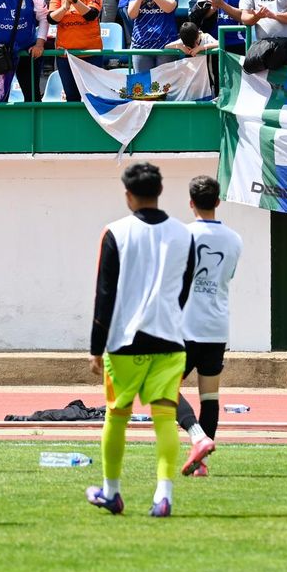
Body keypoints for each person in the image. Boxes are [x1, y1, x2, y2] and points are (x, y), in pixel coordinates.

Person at [84, 161, 191, 519]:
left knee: (116, 417)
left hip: (125, 342)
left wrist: (95, 347)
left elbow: (104, 292)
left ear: (128, 195)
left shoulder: (115, 232)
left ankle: (112, 492)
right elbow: (184, 288)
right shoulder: (183, 234)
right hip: (170, 339)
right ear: (159, 192)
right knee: (165, 419)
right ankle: (164, 496)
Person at [170, 176, 241, 478]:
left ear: (190, 202)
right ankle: (200, 463)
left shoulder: (182, 235)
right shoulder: (234, 239)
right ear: (217, 202)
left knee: (161, 387)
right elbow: (228, 277)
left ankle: (197, 436)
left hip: (185, 327)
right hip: (216, 327)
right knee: (209, 396)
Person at [49, 0, 103, 101]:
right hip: (66, 57)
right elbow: (52, 19)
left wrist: (74, 1)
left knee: (93, 98)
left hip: (90, 55)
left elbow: (91, 15)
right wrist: (65, 7)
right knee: (72, 98)